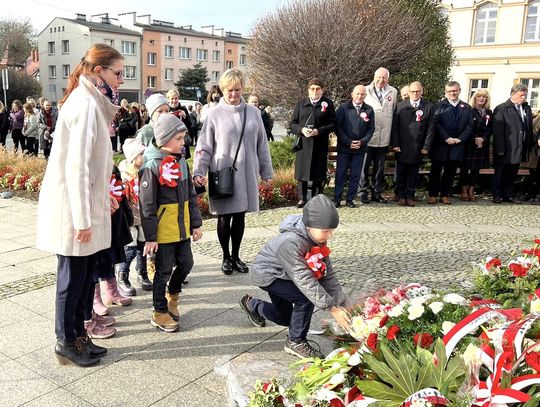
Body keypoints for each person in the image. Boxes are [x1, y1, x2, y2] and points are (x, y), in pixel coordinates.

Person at [36, 43, 124, 367]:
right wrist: (85, 219)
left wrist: (104, 201)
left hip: (80, 207)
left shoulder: (91, 100)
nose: (121, 78)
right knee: (72, 281)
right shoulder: (86, 103)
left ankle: (78, 337)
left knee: (83, 279)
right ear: (98, 71)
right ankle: (65, 341)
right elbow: (78, 167)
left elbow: (92, 168)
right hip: (72, 211)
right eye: (117, 72)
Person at [239, 194, 350, 359]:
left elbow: (327, 274)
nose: (330, 235)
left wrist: (343, 303)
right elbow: (305, 280)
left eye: (332, 230)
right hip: (268, 275)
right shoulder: (290, 242)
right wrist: (332, 308)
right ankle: (295, 341)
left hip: (284, 275)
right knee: (304, 299)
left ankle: (252, 304)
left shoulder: (317, 239)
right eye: (326, 231)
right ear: (309, 226)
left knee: (285, 318)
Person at [193, 68, 273, 275]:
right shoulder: (214, 114)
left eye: (237, 89)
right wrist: (199, 170)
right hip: (224, 173)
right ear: (222, 90)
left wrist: (267, 173)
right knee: (224, 217)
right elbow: (204, 145)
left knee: (240, 217)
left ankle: (236, 256)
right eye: (229, 90)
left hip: (247, 173)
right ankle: (225, 257)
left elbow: (262, 145)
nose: (234, 94)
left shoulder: (254, 113)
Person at [139, 114, 203, 332]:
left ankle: (172, 296)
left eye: (183, 137)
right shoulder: (151, 166)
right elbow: (147, 205)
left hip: (182, 228)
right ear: (164, 139)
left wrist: (196, 223)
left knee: (187, 263)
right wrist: (150, 236)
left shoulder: (182, 162)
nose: (183, 142)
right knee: (163, 271)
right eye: (178, 138)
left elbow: (191, 195)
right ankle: (159, 311)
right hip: (164, 231)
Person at [289, 78, 336, 208]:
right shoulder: (301, 104)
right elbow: (292, 124)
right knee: (302, 171)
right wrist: (302, 129)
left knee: (318, 171)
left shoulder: (328, 104)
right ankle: (302, 198)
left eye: (317, 89)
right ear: (308, 90)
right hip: (303, 143)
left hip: (319, 142)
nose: (315, 91)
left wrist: (318, 131)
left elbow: (332, 124)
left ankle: (316, 197)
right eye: (312, 89)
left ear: (322, 90)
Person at [116, 138, 152, 295]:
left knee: (143, 247)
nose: (144, 156)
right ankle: (122, 275)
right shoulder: (125, 176)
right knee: (130, 248)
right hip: (130, 217)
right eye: (141, 153)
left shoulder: (144, 171)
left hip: (142, 216)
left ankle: (142, 272)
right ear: (133, 157)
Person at [427, 81, 473, 205]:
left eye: (455, 90)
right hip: (440, 144)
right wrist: (446, 137)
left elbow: (469, 125)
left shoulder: (466, 107)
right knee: (436, 171)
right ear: (445, 92)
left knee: (450, 171)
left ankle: (445, 195)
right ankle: (432, 194)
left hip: (457, 145)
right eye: (450, 91)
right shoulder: (438, 106)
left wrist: (460, 139)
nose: (452, 93)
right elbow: (436, 123)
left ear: (459, 90)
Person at [391, 81, 434, 207]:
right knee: (401, 172)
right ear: (408, 92)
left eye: (417, 91)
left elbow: (431, 128)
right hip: (402, 145)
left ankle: (410, 196)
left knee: (413, 173)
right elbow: (395, 127)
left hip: (418, 146)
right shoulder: (400, 106)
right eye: (412, 91)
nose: (415, 94)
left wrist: (426, 146)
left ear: (422, 91)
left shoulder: (428, 106)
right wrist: (395, 144)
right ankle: (401, 195)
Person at [359, 67, 398, 204]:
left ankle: (376, 192)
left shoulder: (393, 91)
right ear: (374, 77)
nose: (381, 80)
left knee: (379, 168)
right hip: (368, 137)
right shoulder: (366, 90)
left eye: (384, 78)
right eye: (379, 77)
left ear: (388, 79)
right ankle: (362, 192)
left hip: (384, 137)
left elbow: (392, 111)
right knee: (364, 167)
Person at [492, 83, 535, 204]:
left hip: (520, 147)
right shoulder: (502, 108)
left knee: (512, 173)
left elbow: (529, 127)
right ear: (513, 94)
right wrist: (500, 148)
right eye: (521, 95)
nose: (524, 98)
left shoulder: (526, 108)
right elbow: (498, 131)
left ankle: (508, 194)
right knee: (500, 172)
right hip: (506, 147)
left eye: (525, 95)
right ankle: (497, 194)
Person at [333, 85, 375, 208]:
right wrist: (348, 141)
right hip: (344, 148)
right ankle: (337, 198)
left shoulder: (369, 110)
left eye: (362, 94)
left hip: (360, 149)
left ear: (365, 96)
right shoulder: (343, 108)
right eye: (357, 94)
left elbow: (371, 129)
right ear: (352, 94)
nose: (359, 96)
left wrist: (362, 142)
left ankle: (350, 199)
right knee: (340, 173)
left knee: (355, 175)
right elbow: (338, 127)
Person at [459, 89, 492, 202]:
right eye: (479, 96)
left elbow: (490, 129)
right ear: (475, 98)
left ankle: (471, 190)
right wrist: (475, 139)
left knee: (475, 169)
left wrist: (483, 139)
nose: (481, 99)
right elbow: (466, 127)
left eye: (484, 97)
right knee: (465, 168)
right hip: (469, 144)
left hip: (481, 145)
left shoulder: (489, 113)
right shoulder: (469, 110)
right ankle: (463, 190)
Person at [167, 88, 193, 159]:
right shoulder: (166, 109)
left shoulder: (183, 109)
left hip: (181, 138)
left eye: (176, 98)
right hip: (170, 138)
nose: (174, 101)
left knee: (182, 159)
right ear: (168, 99)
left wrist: (184, 116)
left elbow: (190, 125)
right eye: (172, 98)